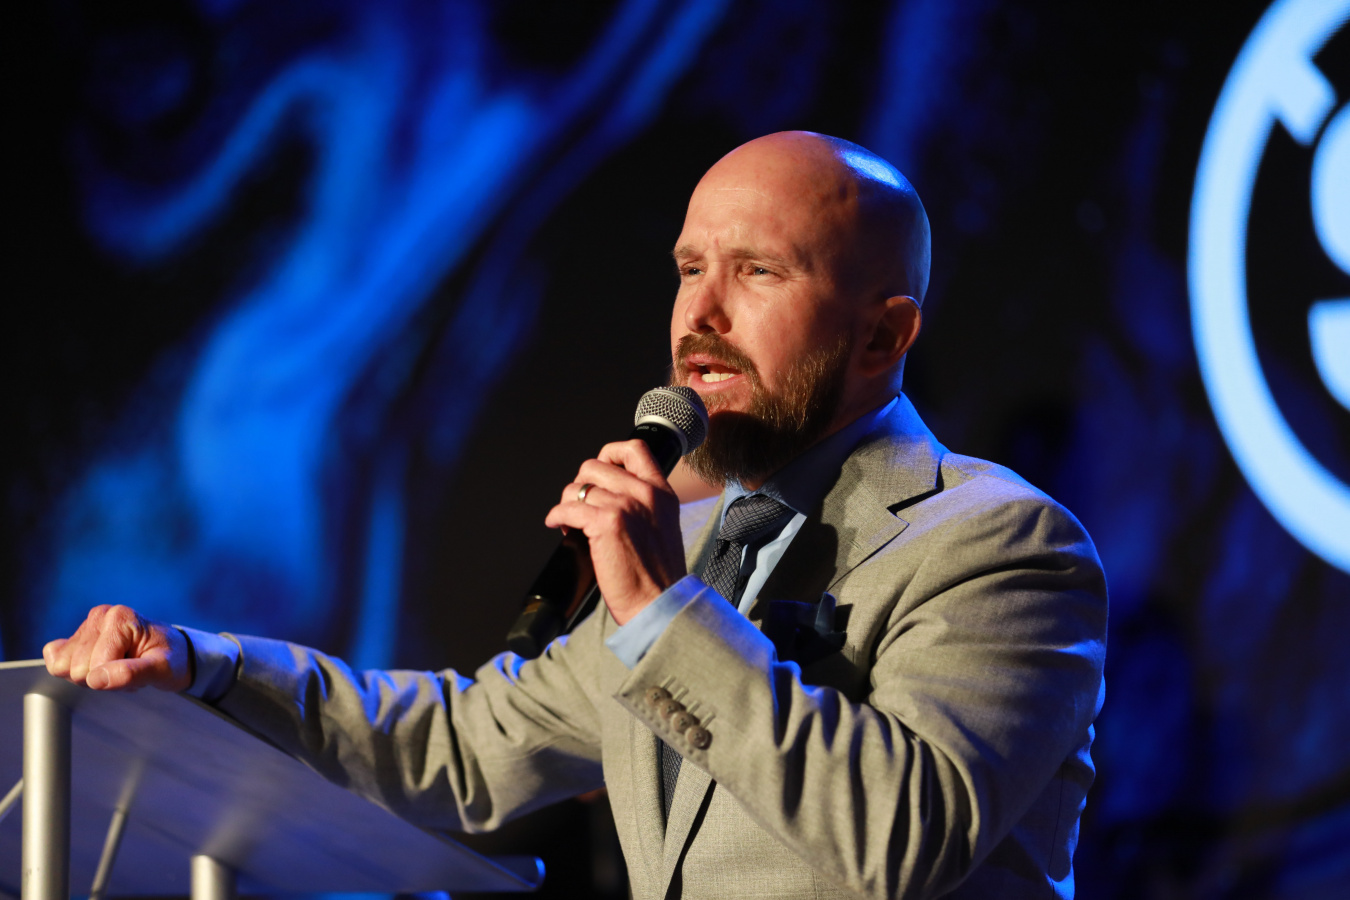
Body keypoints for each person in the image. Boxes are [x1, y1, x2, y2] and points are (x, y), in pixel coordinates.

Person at [44, 132, 1107, 899]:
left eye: (758, 272)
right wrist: (207, 667)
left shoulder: (999, 544)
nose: (701, 314)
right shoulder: (692, 553)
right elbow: (464, 749)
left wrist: (663, 614)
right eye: (690, 269)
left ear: (884, 336)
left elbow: (901, 835)